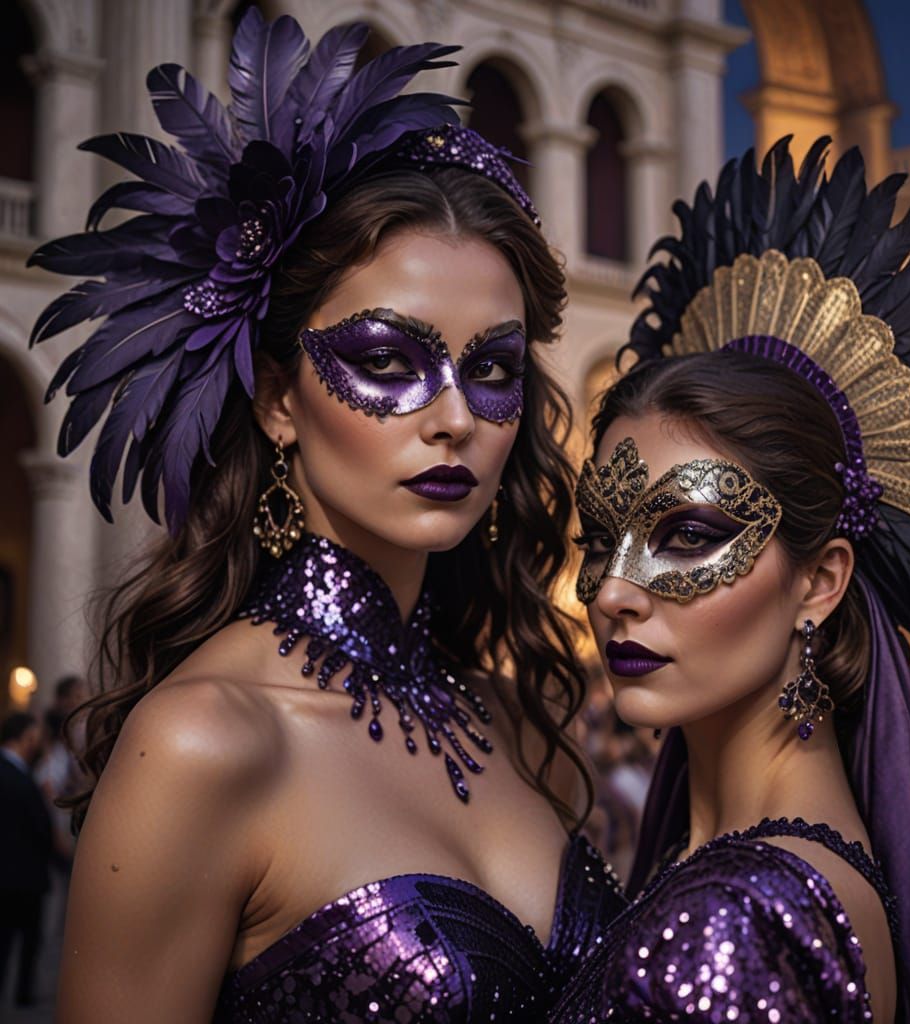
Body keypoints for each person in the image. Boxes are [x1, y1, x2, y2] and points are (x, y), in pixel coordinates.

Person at [29, 12, 624, 1022]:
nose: (454, 421)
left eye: (491, 370)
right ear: (275, 398)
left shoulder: (508, 720)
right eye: (387, 361)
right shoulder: (203, 743)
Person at [550, 137, 910, 1023]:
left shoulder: (740, 926)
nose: (612, 591)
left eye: (687, 535)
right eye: (601, 539)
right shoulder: (775, 878)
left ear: (820, 582)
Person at [0, 711, 53, 1008]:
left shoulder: (20, 771)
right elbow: (37, 826)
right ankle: (22, 994)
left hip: (16, 874)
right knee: (21, 940)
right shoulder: (16, 775)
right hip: (21, 875)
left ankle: (22, 992)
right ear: (25, 736)